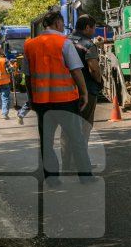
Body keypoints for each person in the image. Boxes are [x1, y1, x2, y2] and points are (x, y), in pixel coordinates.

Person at [23, 10, 94, 184]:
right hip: (65, 101)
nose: (63, 27)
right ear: (57, 24)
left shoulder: (30, 45)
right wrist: (84, 93)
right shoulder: (64, 42)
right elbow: (75, 70)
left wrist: (31, 99)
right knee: (76, 139)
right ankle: (85, 177)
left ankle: (52, 179)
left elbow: (27, 76)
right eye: (62, 24)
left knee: (46, 142)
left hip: (41, 102)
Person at [61, 14, 103, 171]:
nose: (93, 31)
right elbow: (94, 69)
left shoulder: (64, 42)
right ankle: (82, 166)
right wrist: (99, 81)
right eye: (93, 28)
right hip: (86, 92)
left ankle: (66, 165)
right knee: (84, 129)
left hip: (65, 92)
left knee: (67, 130)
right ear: (87, 27)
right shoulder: (88, 44)